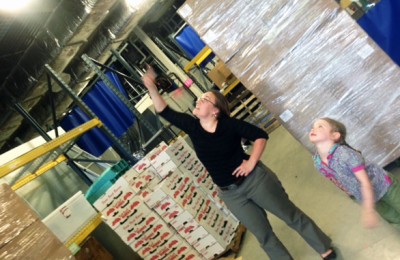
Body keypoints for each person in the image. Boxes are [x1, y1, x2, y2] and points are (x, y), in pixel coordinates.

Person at [142, 66, 336, 260]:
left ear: (216, 110)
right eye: (200, 98)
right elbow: (164, 111)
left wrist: (251, 163)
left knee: (290, 216)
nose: (199, 100)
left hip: (254, 181)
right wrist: (152, 87)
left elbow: (260, 136)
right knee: (264, 236)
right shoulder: (193, 127)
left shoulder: (229, 125)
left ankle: (323, 247)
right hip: (230, 194)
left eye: (205, 99)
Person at [309, 117, 400, 229]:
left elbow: (365, 182)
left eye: (320, 126)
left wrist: (368, 210)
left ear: (334, 135)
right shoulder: (318, 163)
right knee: (393, 218)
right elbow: (334, 178)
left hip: (384, 186)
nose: (313, 129)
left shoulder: (344, 154)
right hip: (365, 196)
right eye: (312, 127)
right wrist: (347, 189)